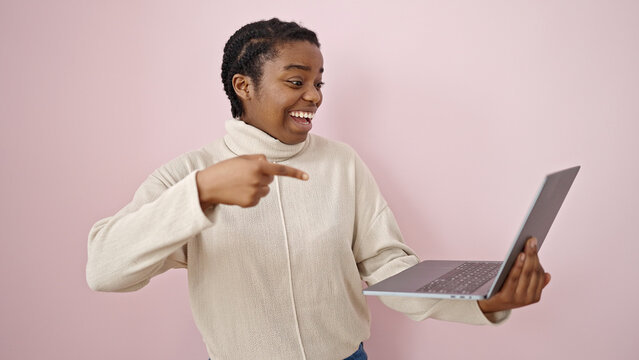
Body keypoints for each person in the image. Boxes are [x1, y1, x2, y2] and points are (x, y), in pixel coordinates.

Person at [86, 18, 550, 360]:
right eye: (296, 81)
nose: (315, 96)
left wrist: (485, 301)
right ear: (243, 85)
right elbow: (105, 270)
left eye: (317, 82)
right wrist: (201, 193)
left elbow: (389, 268)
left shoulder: (342, 163)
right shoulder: (190, 174)